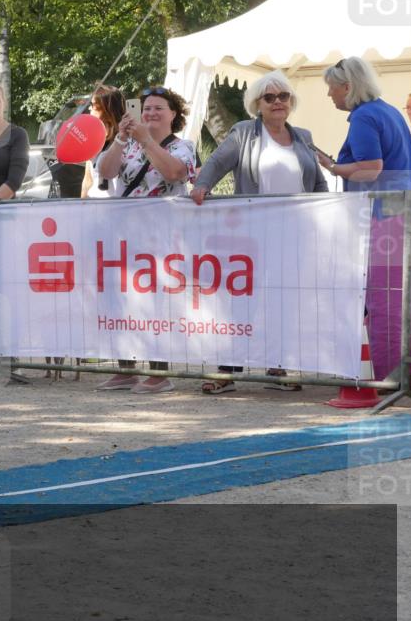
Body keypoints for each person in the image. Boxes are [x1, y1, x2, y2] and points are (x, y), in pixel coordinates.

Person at [191, 70, 328, 395]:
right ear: (257, 103)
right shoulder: (243, 133)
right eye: (270, 97)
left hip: (293, 235)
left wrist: (327, 212)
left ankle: (277, 365)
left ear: (291, 101)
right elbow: (216, 163)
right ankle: (227, 369)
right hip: (251, 234)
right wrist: (202, 184)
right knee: (241, 301)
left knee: (283, 300)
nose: (278, 102)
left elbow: (318, 183)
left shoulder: (304, 137)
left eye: (283, 96)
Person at [318, 57, 411, 387]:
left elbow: (371, 168)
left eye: (332, 88)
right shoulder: (388, 111)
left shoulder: (363, 116)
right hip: (404, 212)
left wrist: (333, 168)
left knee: (383, 298)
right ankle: (410, 372)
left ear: (347, 87)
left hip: (384, 216)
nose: (329, 94)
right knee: (405, 297)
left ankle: (389, 376)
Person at [96, 85, 197, 394]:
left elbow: (174, 172)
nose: (151, 113)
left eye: (158, 108)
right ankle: (125, 369)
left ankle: (158, 372)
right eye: (147, 108)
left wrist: (147, 141)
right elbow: (105, 171)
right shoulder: (128, 145)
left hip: (163, 236)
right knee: (120, 299)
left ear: (173, 114)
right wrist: (120, 139)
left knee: (157, 303)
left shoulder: (183, 146)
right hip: (125, 235)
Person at [81, 84, 126, 198]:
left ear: (107, 110)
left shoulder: (126, 141)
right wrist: (81, 204)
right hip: (93, 204)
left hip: (115, 204)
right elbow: (88, 180)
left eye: (93, 105)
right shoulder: (92, 139)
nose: (89, 109)